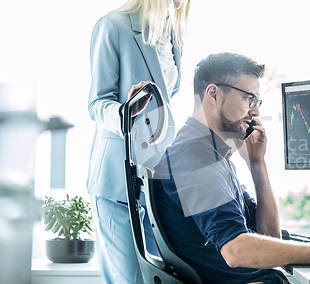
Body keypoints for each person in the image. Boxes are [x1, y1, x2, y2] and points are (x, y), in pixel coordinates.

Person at [152, 52, 310, 284]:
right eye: (249, 99)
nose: (255, 112)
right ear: (214, 94)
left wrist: (257, 165)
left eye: (257, 102)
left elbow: (269, 236)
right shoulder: (194, 155)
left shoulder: (212, 155)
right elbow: (236, 250)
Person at [86, 0, 190, 283]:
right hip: (118, 182)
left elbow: (165, 103)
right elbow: (97, 103)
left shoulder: (173, 36)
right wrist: (124, 112)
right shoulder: (113, 26)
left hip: (157, 185)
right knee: (132, 280)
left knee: (160, 279)